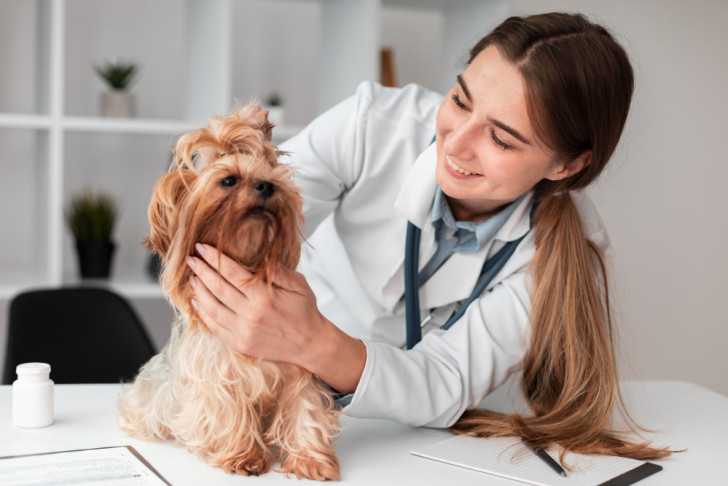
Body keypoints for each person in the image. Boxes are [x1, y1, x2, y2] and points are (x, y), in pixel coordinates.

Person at [186, 12, 670, 458]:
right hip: (282, 399)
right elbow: (233, 225)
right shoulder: (373, 125)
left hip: (433, 443)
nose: (455, 143)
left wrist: (316, 343)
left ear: (568, 165)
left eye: (501, 138)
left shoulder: (567, 250)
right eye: (460, 100)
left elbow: (448, 378)